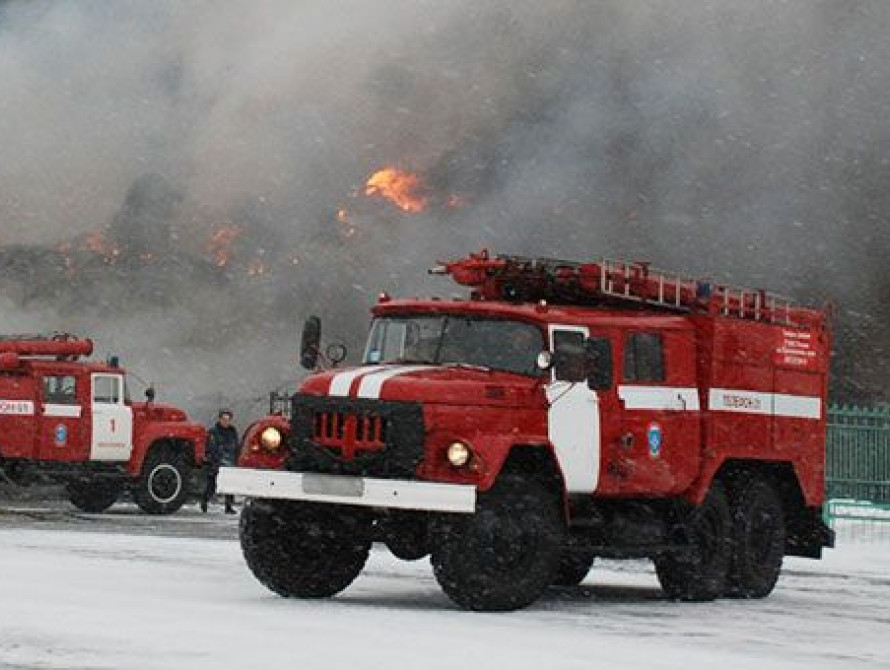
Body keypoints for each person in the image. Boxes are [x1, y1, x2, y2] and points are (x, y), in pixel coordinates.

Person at [201, 409, 240, 514]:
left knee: (230, 485)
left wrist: (234, 458)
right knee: (212, 484)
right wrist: (216, 458)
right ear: (220, 419)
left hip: (229, 462)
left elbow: (236, 446)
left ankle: (228, 506)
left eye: (227, 419)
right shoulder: (214, 432)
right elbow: (211, 447)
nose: (225, 421)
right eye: (223, 419)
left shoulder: (232, 431)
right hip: (216, 462)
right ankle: (204, 501)